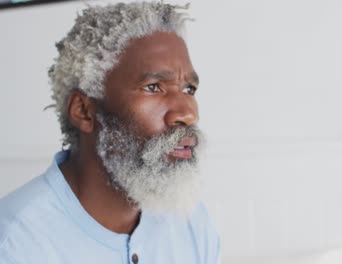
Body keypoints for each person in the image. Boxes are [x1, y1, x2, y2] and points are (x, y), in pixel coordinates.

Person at [0, 2, 221, 263]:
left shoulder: (192, 224)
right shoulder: (15, 244)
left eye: (189, 89)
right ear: (84, 111)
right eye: (153, 87)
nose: (187, 113)